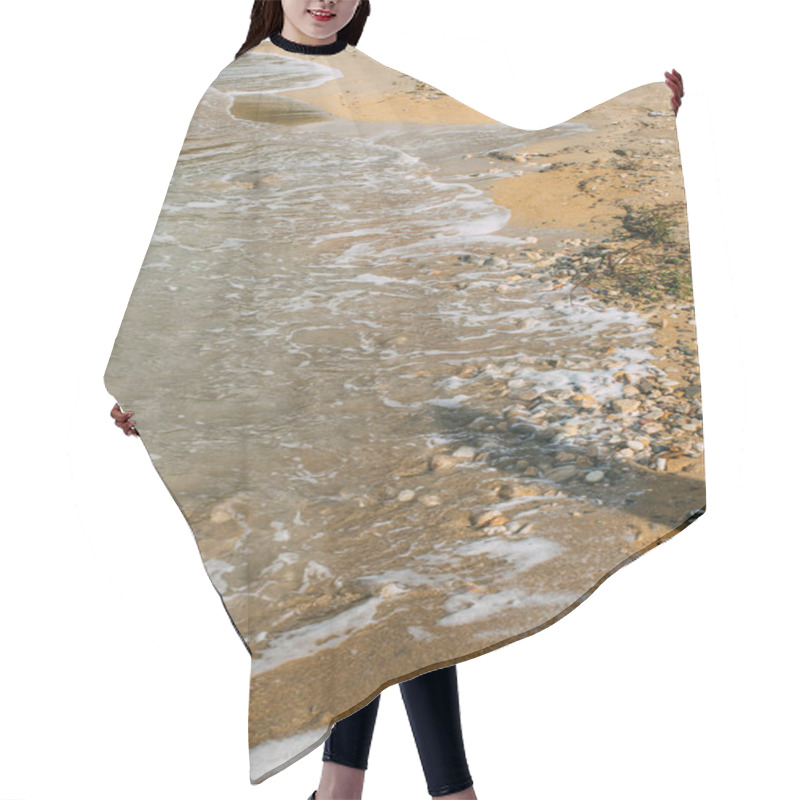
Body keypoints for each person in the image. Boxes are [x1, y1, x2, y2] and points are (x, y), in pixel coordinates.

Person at [110, 3, 685, 798]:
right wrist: (155, 373)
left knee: (402, 576)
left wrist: (634, 130)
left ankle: (345, 789)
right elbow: (197, 247)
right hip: (298, 385)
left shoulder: (380, 87)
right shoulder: (237, 89)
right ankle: (440, 791)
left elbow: (489, 164)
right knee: (373, 581)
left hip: (391, 372)